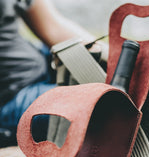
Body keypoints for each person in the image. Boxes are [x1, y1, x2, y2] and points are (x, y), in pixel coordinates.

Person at [0, 0, 108, 147]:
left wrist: (115, 56)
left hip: (41, 60)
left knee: (133, 85)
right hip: (11, 96)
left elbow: (53, 27)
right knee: (106, 108)